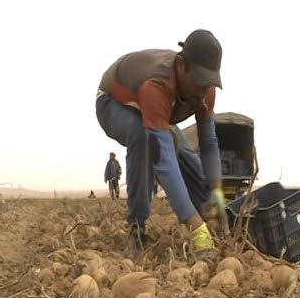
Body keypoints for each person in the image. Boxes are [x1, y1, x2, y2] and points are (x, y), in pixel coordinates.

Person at [95, 29, 227, 257]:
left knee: (187, 158)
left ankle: (212, 223)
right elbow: (163, 159)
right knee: (144, 138)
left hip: (160, 111)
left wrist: (217, 192)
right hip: (113, 102)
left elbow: (209, 142)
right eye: (198, 81)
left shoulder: (205, 90)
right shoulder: (156, 85)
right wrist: (192, 224)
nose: (202, 90)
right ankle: (137, 228)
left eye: (208, 83)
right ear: (182, 65)